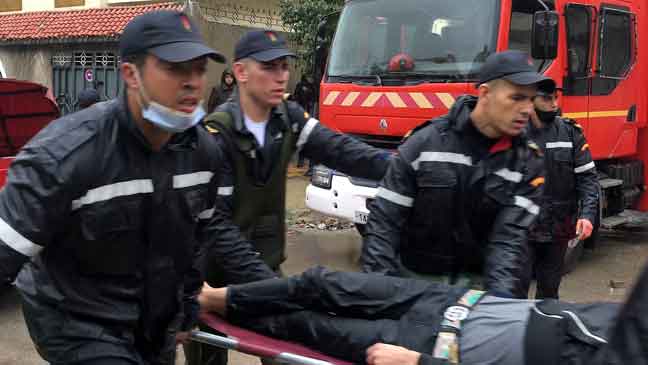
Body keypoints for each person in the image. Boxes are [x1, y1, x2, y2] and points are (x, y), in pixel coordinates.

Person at [0, 10, 274, 365]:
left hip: (153, 323)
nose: (193, 81)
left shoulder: (203, 154)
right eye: (176, 68)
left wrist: (186, 305)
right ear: (131, 74)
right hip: (76, 322)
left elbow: (195, 243)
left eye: (198, 68)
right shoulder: (66, 155)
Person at [185, 30, 392, 365]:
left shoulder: (287, 117)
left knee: (288, 354)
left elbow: (340, 150)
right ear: (240, 72)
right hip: (213, 276)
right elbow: (216, 226)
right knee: (209, 355)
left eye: (284, 66)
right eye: (269, 67)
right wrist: (270, 286)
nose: (281, 76)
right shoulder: (216, 134)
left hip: (264, 263)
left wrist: (399, 167)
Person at [361, 50, 549, 298]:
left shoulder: (527, 163)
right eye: (516, 98)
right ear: (485, 93)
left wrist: (497, 310)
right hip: (412, 285)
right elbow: (384, 224)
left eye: (531, 99)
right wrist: (379, 296)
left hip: (476, 291)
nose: (527, 109)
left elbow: (508, 245)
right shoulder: (425, 144)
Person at [198, 264, 648, 365]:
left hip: (429, 349)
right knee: (319, 283)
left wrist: (416, 364)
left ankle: (203, 318)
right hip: (448, 300)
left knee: (304, 328)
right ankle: (213, 298)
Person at [522, 84, 599, 299]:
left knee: (549, 291)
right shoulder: (515, 132)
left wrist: (587, 215)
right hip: (522, 228)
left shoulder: (570, 132)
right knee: (514, 293)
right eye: (547, 99)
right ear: (532, 100)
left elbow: (587, 178)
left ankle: (544, 329)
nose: (554, 104)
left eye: (556, 98)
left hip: (557, 229)